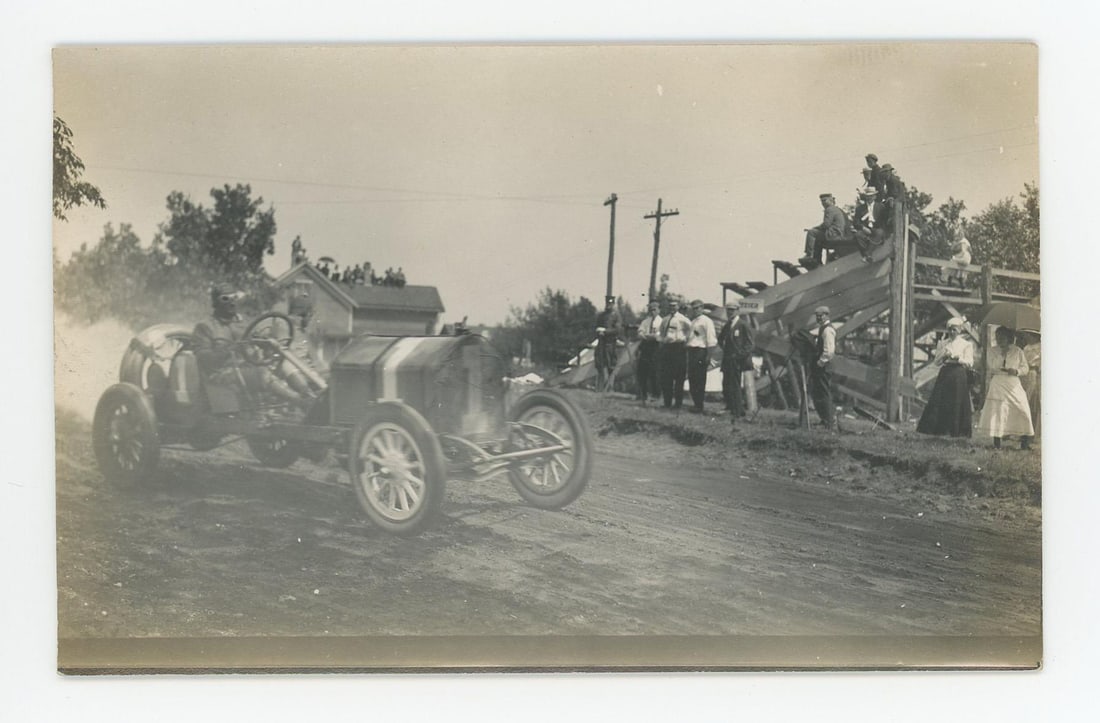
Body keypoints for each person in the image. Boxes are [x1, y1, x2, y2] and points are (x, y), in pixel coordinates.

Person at [192, 284, 307, 406]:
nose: (232, 303)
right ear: (215, 302)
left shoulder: (243, 322)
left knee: (284, 364)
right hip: (221, 374)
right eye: (225, 299)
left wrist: (268, 343)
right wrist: (230, 349)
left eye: (234, 298)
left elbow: (257, 338)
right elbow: (203, 358)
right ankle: (301, 402)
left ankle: (307, 393)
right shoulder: (205, 326)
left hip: (248, 368)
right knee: (262, 373)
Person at [916, 317, 975, 438]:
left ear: (959, 330)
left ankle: (957, 431)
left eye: (954, 329)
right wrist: (944, 355)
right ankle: (939, 429)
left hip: (958, 372)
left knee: (957, 400)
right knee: (940, 399)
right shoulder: (943, 343)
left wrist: (958, 358)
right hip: (946, 371)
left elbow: (970, 363)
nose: (951, 332)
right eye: (949, 330)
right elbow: (936, 362)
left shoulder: (966, 344)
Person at [977, 326, 1034, 449]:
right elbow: (992, 367)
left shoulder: (1017, 351)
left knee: (1022, 408)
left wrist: (1017, 371)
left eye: (1002, 338)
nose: (999, 340)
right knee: (998, 410)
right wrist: (1001, 355)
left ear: (1009, 338)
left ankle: (1025, 442)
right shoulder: (992, 350)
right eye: (997, 338)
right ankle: (997, 442)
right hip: (998, 382)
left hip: (1013, 383)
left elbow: (1025, 368)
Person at [719, 301, 755, 422]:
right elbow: (721, 339)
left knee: (735, 384)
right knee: (727, 384)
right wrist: (726, 350)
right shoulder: (728, 324)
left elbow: (750, 345)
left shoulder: (743, 324)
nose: (730, 312)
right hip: (728, 359)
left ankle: (738, 411)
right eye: (728, 310)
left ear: (738, 310)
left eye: (732, 310)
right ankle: (732, 408)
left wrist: (738, 355)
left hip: (737, 360)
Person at [799, 193, 850, 270]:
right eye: (821, 201)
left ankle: (809, 255)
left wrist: (815, 228)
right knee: (817, 237)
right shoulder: (836, 209)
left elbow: (826, 225)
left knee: (812, 233)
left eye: (824, 201)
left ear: (831, 200)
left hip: (833, 234)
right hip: (837, 233)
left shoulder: (830, 209)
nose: (823, 203)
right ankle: (817, 260)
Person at [808, 305, 838, 431]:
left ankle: (830, 422)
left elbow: (829, 351)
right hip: (823, 366)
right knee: (819, 393)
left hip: (824, 367)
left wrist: (819, 363)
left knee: (824, 393)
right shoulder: (822, 328)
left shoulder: (827, 330)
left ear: (826, 315)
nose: (818, 318)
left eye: (821, 316)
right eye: (817, 316)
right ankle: (825, 420)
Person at [657, 299, 691, 408]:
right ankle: (667, 403)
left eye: (674, 306)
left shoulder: (683, 319)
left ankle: (678, 403)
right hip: (667, 348)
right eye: (670, 306)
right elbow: (661, 332)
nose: (672, 308)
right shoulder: (665, 319)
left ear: (678, 307)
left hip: (678, 347)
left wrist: (684, 339)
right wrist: (662, 340)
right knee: (667, 377)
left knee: (679, 377)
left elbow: (691, 332)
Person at [686, 300, 718, 413]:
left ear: (702, 308)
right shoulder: (693, 321)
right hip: (692, 351)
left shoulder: (706, 321)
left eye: (697, 308)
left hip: (701, 350)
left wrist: (709, 356)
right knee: (692, 378)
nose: (695, 310)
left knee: (699, 379)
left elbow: (711, 340)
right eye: (693, 308)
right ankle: (696, 403)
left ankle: (699, 405)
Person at [635, 301, 663, 404]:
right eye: (651, 310)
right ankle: (643, 394)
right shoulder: (646, 321)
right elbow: (640, 332)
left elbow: (659, 335)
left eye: (654, 309)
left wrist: (651, 336)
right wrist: (643, 335)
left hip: (656, 348)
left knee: (654, 372)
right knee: (642, 371)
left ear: (659, 310)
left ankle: (656, 395)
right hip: (645, 346)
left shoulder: (662, 322)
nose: (652, 312)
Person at [851, 186, 887, 263]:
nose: (869, 198)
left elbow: (884, 220)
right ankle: (867, 255)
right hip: (865, 228)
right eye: (868, 196)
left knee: (879, 233)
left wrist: (881, 228)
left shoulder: (881, 207)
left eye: (871, 196)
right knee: (858, 235)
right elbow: (856, 222)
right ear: (865, 197)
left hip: (876, 228)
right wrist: (863, 228)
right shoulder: (860, 208)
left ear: (875, 196)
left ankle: (867, 255)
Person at [594, 296, 622, 393]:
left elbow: (617, 329)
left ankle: (610, 388)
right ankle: (600, 387)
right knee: (600, 364)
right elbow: (596, 326)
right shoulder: (601, 315)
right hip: (601, 342)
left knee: (611, 365)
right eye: (607, 303)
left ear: (613, 304)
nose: (609, 305)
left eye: (611, 304)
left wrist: (605, 331)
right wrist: (599, 332)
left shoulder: (616, 316)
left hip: (611, 343)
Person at [1019, 329, 1041, 442]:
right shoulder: (1026, 348)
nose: (1027, 337)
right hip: (1025, 374)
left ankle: (1034, 433)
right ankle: (1024, 431)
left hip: (1035, 374)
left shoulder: (1041, 347)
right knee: (1025, 400)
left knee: (1034, 401)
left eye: (1029, 335)